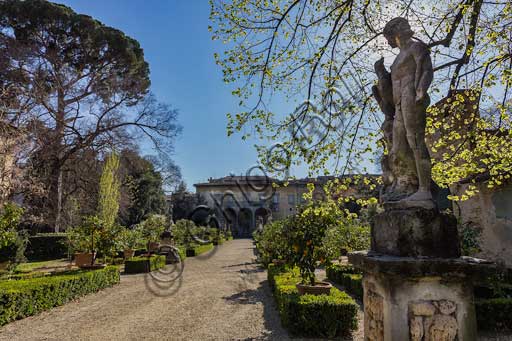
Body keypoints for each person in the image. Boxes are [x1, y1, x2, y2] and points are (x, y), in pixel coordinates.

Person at [382, 17, 434, 203]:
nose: (388, 42)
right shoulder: (396, 59)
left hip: (411, 95)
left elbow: (427, 69)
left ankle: (425, 190)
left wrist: (421, 89)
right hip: (398, 104)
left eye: (388, 37)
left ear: (395, 34)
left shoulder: (416, 47)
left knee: (415, 141)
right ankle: (411, 185)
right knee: (398, 148)